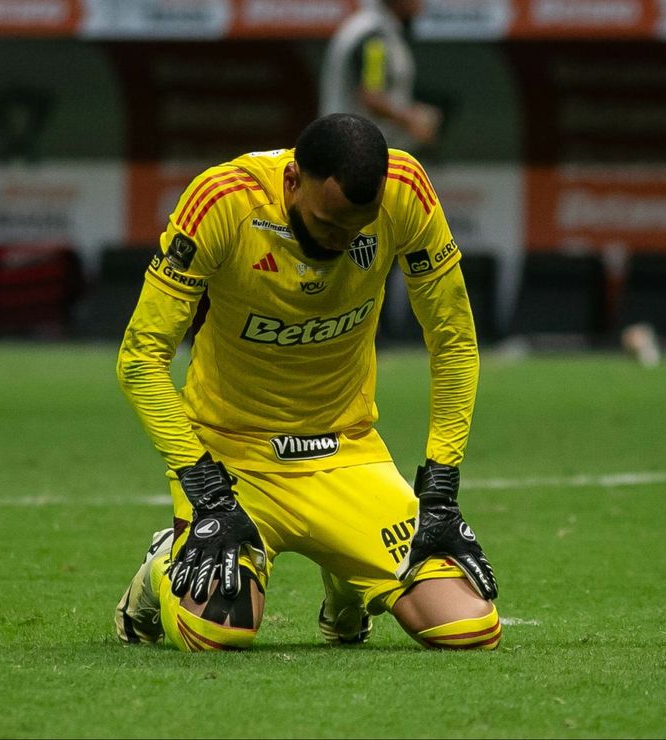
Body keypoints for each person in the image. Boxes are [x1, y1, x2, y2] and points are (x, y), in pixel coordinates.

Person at [113, 113, 499, 652]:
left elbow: (454, 342)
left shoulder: (406, 191)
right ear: (293, 181)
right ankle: (160, 570)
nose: (341, 244)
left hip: (347, 451)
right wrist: (205, 492)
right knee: (214, 633)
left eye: (355, 230)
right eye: (328, 224)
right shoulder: (223, 201)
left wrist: (439, 492)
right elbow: (140, 358)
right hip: (232, 461)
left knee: (470, 629)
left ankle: (345, 584)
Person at [320, 0, 441, 153]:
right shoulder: (373, 37)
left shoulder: (373, 27)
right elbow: (371, 96)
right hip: (354, 151)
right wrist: (412, 119)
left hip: (353, 145)